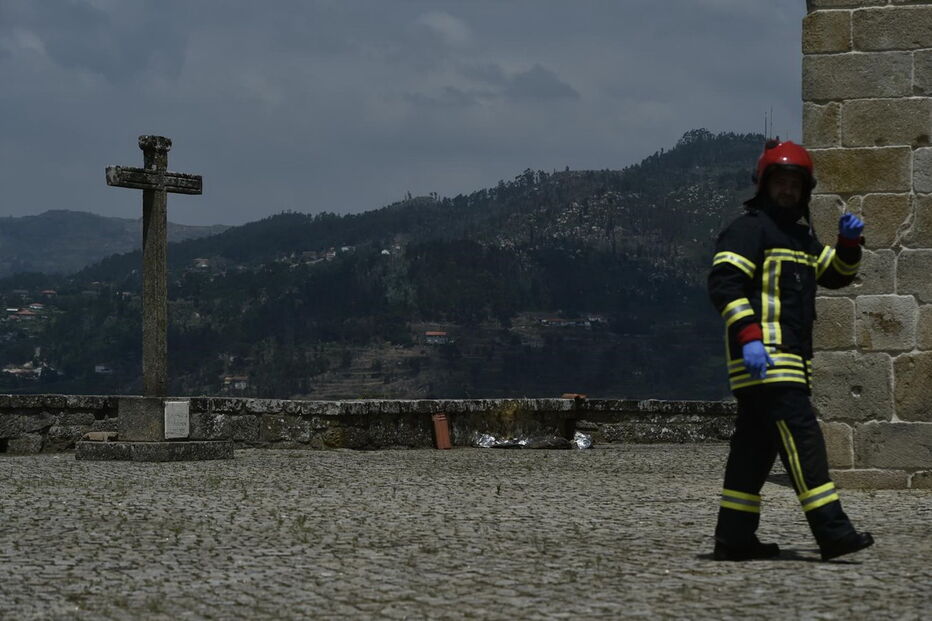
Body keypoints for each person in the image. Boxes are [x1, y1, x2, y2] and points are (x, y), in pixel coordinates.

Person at [707, 139, 874, 561]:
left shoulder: (800, 239)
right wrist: (749, 339)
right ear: (764, 185)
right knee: (805, 442)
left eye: (795, 185)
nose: (787, 191)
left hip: (790, 363)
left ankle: (734, 537)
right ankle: (834, 533)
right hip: (768, 359)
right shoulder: (748, 230)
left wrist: (848, 244)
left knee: (754, 449)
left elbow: (834, 275)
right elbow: (724, 284)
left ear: (805, 192)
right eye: (780, 182)